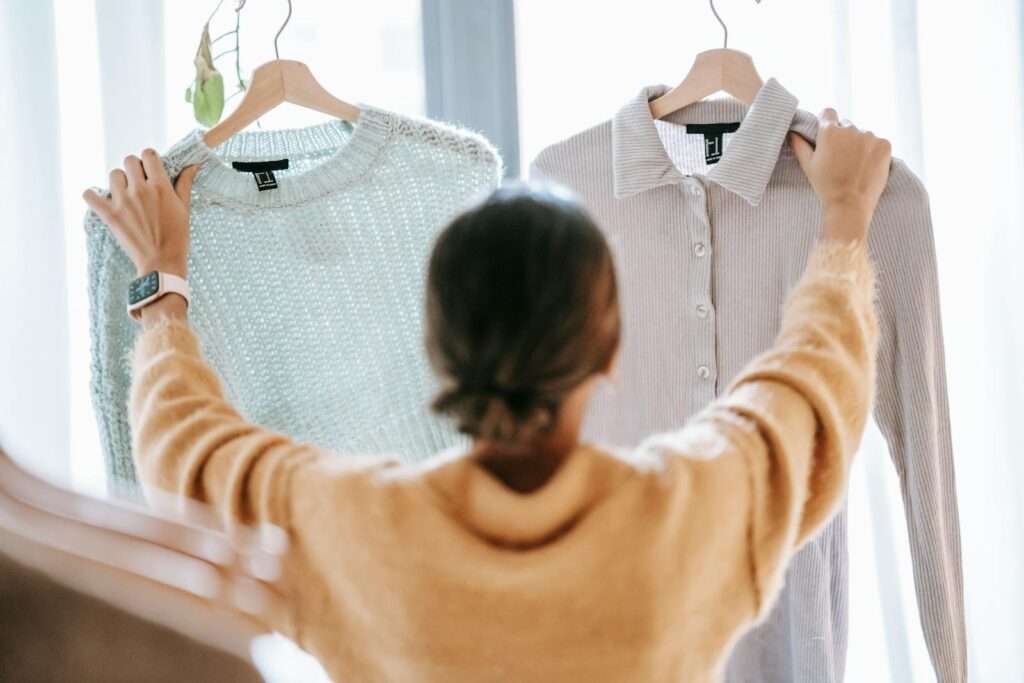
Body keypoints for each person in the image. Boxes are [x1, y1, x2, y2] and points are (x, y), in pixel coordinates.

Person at [82, 107, 890, 682]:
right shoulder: (688, 515)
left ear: (439, 352)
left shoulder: (356, 528)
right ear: (608, 348)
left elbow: (190, 450)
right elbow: (810, 389)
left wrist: (163, 288)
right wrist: (845, 219)